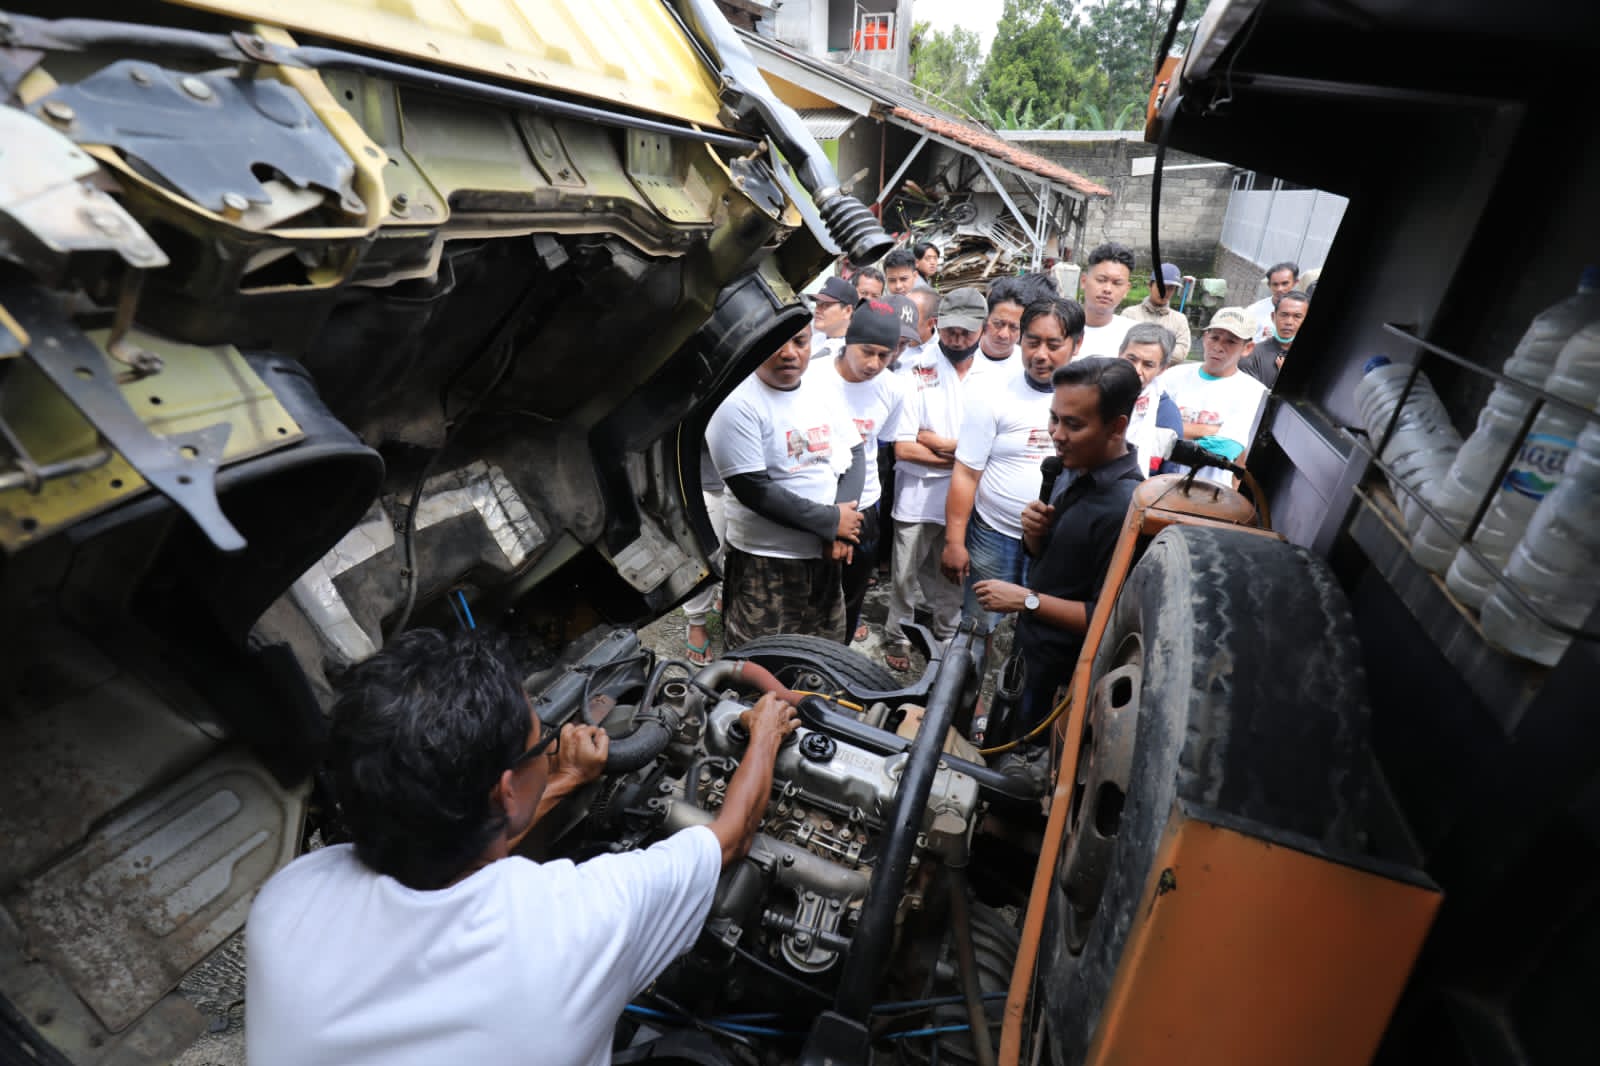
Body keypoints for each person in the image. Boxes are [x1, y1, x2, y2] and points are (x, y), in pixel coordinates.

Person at [247, 628, 800, 1066]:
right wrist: (767, 732)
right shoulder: (580, 921)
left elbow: (467, 839)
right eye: (544, 744)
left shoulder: (288, 897)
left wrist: (565, 778)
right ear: (506, 791)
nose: (552, 746)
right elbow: (732, 834)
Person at [972, 357, 1144, 740]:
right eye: (1055, 419)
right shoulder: (1070, 467)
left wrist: (1026, 600)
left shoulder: (1124, 509)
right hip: (1028, 654)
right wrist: (1035, 536)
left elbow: (1108, 620)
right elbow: (1054, 562)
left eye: (1074, 424)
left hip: (1062, 682)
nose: (1057, 434)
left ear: (1117, 427)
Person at [706, 323, 866, 645]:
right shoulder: (736, 402)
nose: (789, 353)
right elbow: (753, 489)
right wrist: (831, 522)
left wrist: (842, 527)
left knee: (821, 657)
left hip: (822, 559)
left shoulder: (820, 389)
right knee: (759, 666)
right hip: (766, 563)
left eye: (799, 341)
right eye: (775, 343)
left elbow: (855, 454)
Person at [942, 297, 1086, 636]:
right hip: (994, 535)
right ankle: (970, 687)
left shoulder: (1088, 399)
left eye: (1054, 345)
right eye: (1033, 342)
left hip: (1057, 544)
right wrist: (954, 542)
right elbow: (966, 473)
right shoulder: (992, 394)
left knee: (1041, 629)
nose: (1040, 355)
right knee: (978, 628)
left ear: (1077, 344)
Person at [885, 287, 988, 671]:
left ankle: (946, 632)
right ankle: (897, 635)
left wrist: (939, 443)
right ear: (937, 326)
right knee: (904, 572)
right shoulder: (915, 369)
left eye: (965, 333)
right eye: (949, 332)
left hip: (963, 497)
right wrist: (968, 457)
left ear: (982, 329)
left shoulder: (993, 374)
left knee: (952, 571)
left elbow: (992, 447)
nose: (956, 341)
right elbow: (904, 448)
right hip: (915, 494)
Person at [809, 300, 906, 644]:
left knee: (851, 597)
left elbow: (879, 447)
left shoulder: (893, 389)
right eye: (867, 351)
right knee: (809, 595)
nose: (874, 364)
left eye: (885, 355)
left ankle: (836, 664)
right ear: (848, 340)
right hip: (814, 503)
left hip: (864, 507)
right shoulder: (812, 377)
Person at [1157, 307, 1269, 485]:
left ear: (1247, 348)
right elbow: (1147, 430)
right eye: (1214, 337)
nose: (1218, 347)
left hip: (1210, 494)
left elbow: (1225, 449)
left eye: (1231, 342)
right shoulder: (1172, 377)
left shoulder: (1254, 392)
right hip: (1159, 484)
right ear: (1204, 338)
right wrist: (1209, 430)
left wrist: (1171, 430)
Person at [1118, 323, 1187, 475]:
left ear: (1162, 369)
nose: (1137, 370)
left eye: (1148, 365)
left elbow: (1166, 481)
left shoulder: (1167, 417)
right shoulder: (1095, 396)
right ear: (1119, 354)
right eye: (1131, 359)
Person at [683, 443, 725, 664]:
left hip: (755, 471)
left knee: (739, 548)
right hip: (709, 474)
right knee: (704, 553)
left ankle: (724, 597)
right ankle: (696, 623)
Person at [1075, 242, 1136, 358]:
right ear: (1083, 281)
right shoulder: (1059, 328)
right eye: (1101, 280)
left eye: (1117, 283)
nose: (1107, 289)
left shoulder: (1133, 336)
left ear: (1127, 289)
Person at [1119, 262, 1191, 358]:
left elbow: (1181, 353)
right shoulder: (1130, 314)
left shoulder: (1179, 320)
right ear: (1150, 285)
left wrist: (1143, 350)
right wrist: (1163, 352)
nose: (1164, 292)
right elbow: (1120, 345)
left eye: (1170, 288)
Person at [1239, 289, 1308, 388]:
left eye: (1297, 316)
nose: (1289, 322)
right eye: (1284, 315)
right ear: (1273, 317)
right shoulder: (1251, 356)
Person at [1245, 261, 1298, 342]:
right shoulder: (1253, 311)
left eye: (1285, 283)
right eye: (1275, 284)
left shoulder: (1303, 310)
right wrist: (1262, 339)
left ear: (1295, 283)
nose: (1279, 289)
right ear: (1269, 285)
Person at [810, 275, 857, 361]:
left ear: (847, 311)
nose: (817, 310)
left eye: (826, 305)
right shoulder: (816, 338)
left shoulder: (855, 351)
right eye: (817, 304)